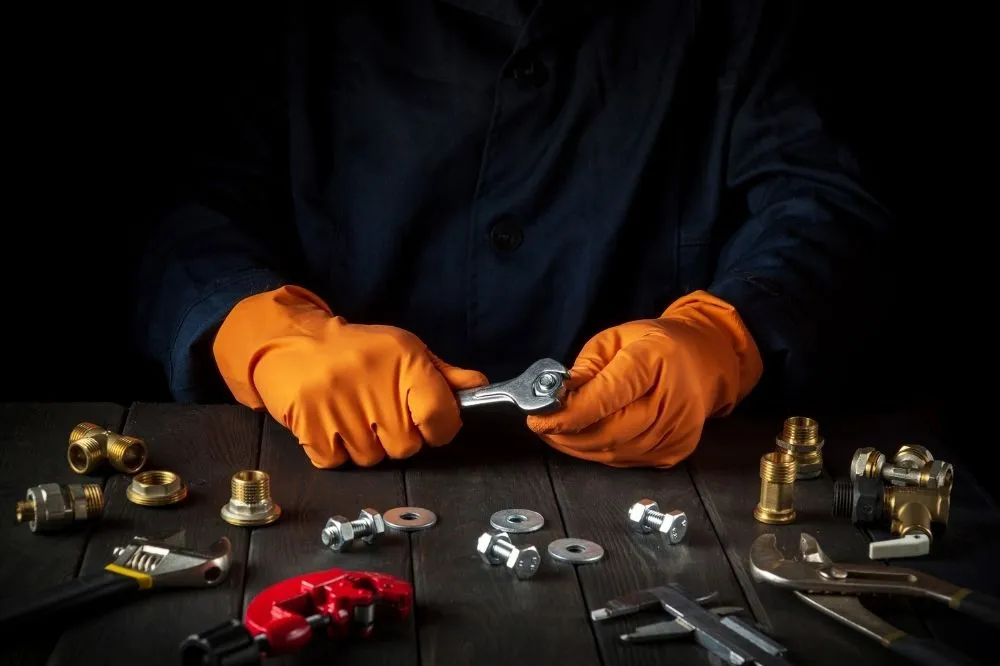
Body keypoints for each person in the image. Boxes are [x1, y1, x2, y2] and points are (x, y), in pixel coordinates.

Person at [129, 1, 893, 470]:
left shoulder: (743, 14)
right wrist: (261, 331)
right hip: (318, 469)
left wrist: (728, 334)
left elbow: (825, 198)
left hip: (681, 472)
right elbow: (179, 206)